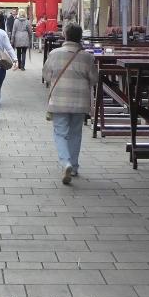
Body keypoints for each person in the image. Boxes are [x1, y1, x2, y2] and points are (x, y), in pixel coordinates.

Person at [43, 23, 98, 185]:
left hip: (59, 100)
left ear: (65, 36)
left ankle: (65, 162)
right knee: (75, 133)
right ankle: (73, 166)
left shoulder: (54, 54)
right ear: (80, 37)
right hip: (80, 101)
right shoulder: (88, 57)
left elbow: (46, 75)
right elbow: (94, 79)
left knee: (60, 133)